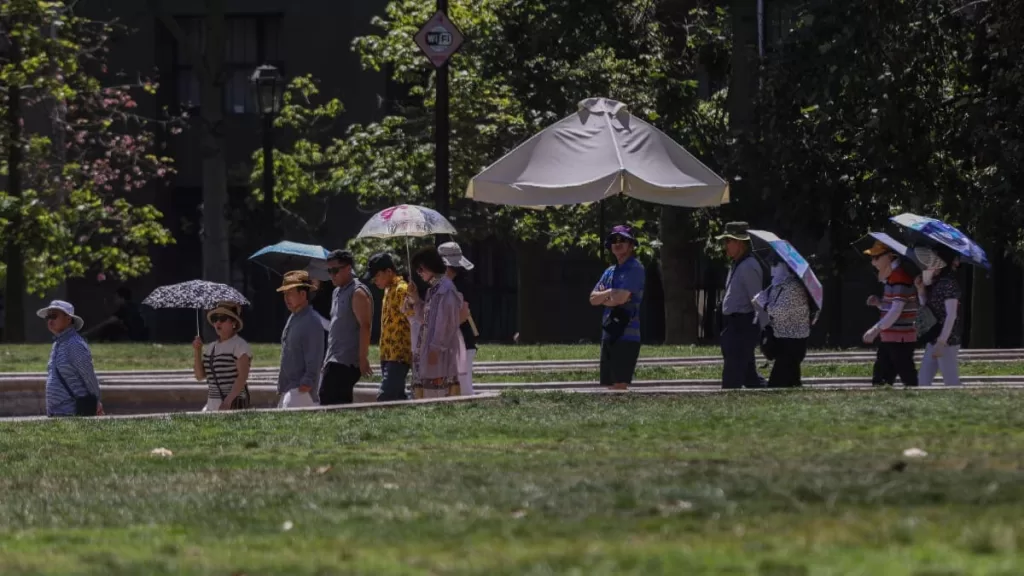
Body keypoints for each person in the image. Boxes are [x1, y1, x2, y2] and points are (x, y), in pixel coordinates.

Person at [589, 224, 645, 390]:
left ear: (631, 245)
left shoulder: (635, 268)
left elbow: (620, 298)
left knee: (620, 387)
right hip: (609, 333)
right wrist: (611, 292)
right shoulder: (609, 271)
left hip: (627, 335)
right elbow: (592, 299)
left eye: (623, 240)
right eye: (614, 240)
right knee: (608, 385)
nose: (617, 243)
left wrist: (607, 296)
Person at [408, 246, 463, 398]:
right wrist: (415, 299)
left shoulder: (446, 289)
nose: (419, 274)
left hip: (440, 350)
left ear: (429, 266)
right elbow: (425, 320)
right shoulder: (432, 290)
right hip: (427, 347)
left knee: (439, 392)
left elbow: (446, 323)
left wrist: (436, 347)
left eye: (420, 269)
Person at [321, 249, 374, 405]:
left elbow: (365, 326)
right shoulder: (336, 292)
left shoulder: (358, 292)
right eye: (329, 271)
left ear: (348, 268)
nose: (332, 275)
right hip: (333, 358)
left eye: (335, 270)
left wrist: (363, 358)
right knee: (328, 399)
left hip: (346, 361)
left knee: (331, 400)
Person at [863, 241, 919, 387]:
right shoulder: (893, 277)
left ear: (888, 257)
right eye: (872, 258)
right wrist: (879, 304)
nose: (873, 262)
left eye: (876, 257)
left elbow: (896, 311)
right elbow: (894, 307)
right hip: (891, 336)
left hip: (900, 337)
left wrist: (875, 330)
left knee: (906, 375)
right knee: (881, 377)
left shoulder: (899, 277)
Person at [717, 222, 765, 389]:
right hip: (732, 325)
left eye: (728, 241)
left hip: (742, 326)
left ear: (740, 242)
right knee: (749, 376)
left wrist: (763, 329)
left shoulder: (749, 266)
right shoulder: (737, 264)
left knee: (732, 376)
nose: (726, 246)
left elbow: (757, 299)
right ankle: (766, 390)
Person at [38, 300, 104, 417]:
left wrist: (96, 401)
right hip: (57, 413)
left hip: (71, 412)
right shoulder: (57, 344)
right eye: (48, 317)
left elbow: (88, 376)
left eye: (54, 316)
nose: (50, 320)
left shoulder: (74, 343)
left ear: (68, 319)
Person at [754, 259, 812, 387]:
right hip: (783, 339)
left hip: (793, 341)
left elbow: (780, 312)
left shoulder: (792, 287)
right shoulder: (778, 285)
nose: (772, 268)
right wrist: (763, 298)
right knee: (792, 382)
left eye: (775, 264)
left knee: (777, 383)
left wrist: (764, 304)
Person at [364, 252, 412, 401]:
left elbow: (413, 318)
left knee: (385, 397)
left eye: (377, 275)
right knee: (397, 397)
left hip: (398, 354)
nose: (374, 280)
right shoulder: (388, 290)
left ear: (389, 272)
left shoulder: (401, 289)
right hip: (387, 353)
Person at [913, 246, 963, 386]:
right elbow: (926, 308)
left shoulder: (949, 283)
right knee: (922, 381)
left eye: (933, 260)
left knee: (951, 382)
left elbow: (951, 315)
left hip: (947, 341)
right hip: (934, 338)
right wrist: (921, 290)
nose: (929, 264)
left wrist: (942, 342)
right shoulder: (935, 283)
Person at [277, 270, 325, 408]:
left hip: (302, 391)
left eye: (290, 293)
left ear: (303, 294)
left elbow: (315, 355)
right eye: (284, 294)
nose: (286, 298)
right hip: (290, 388)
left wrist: (307, 382)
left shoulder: (312, 321)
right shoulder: (293, 317)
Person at [192, 302, 252, 411]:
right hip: (212, 406)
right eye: (215, 318)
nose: (218, 322)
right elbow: (200, 376)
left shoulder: (240, 345)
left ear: (233, 322)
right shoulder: (211, 347)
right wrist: (197, 351)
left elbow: (242, 377)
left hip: (233, 406)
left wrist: (227, 402)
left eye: (223, 318)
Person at [439, 241, 478, 396]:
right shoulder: (445, 285)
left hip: (462, 341)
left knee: (464, 387)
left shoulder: (461, 285)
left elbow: (462, 313)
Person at [81, 286, 149, 342]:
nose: (114, 300)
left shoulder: (124, 309)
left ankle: (99, 341)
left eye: (116, 298)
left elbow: (106, 323)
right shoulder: (134, 306)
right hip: (140, 335)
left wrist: (87, 333)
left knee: (110, 327)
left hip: (132, 336)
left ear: (122, 298)